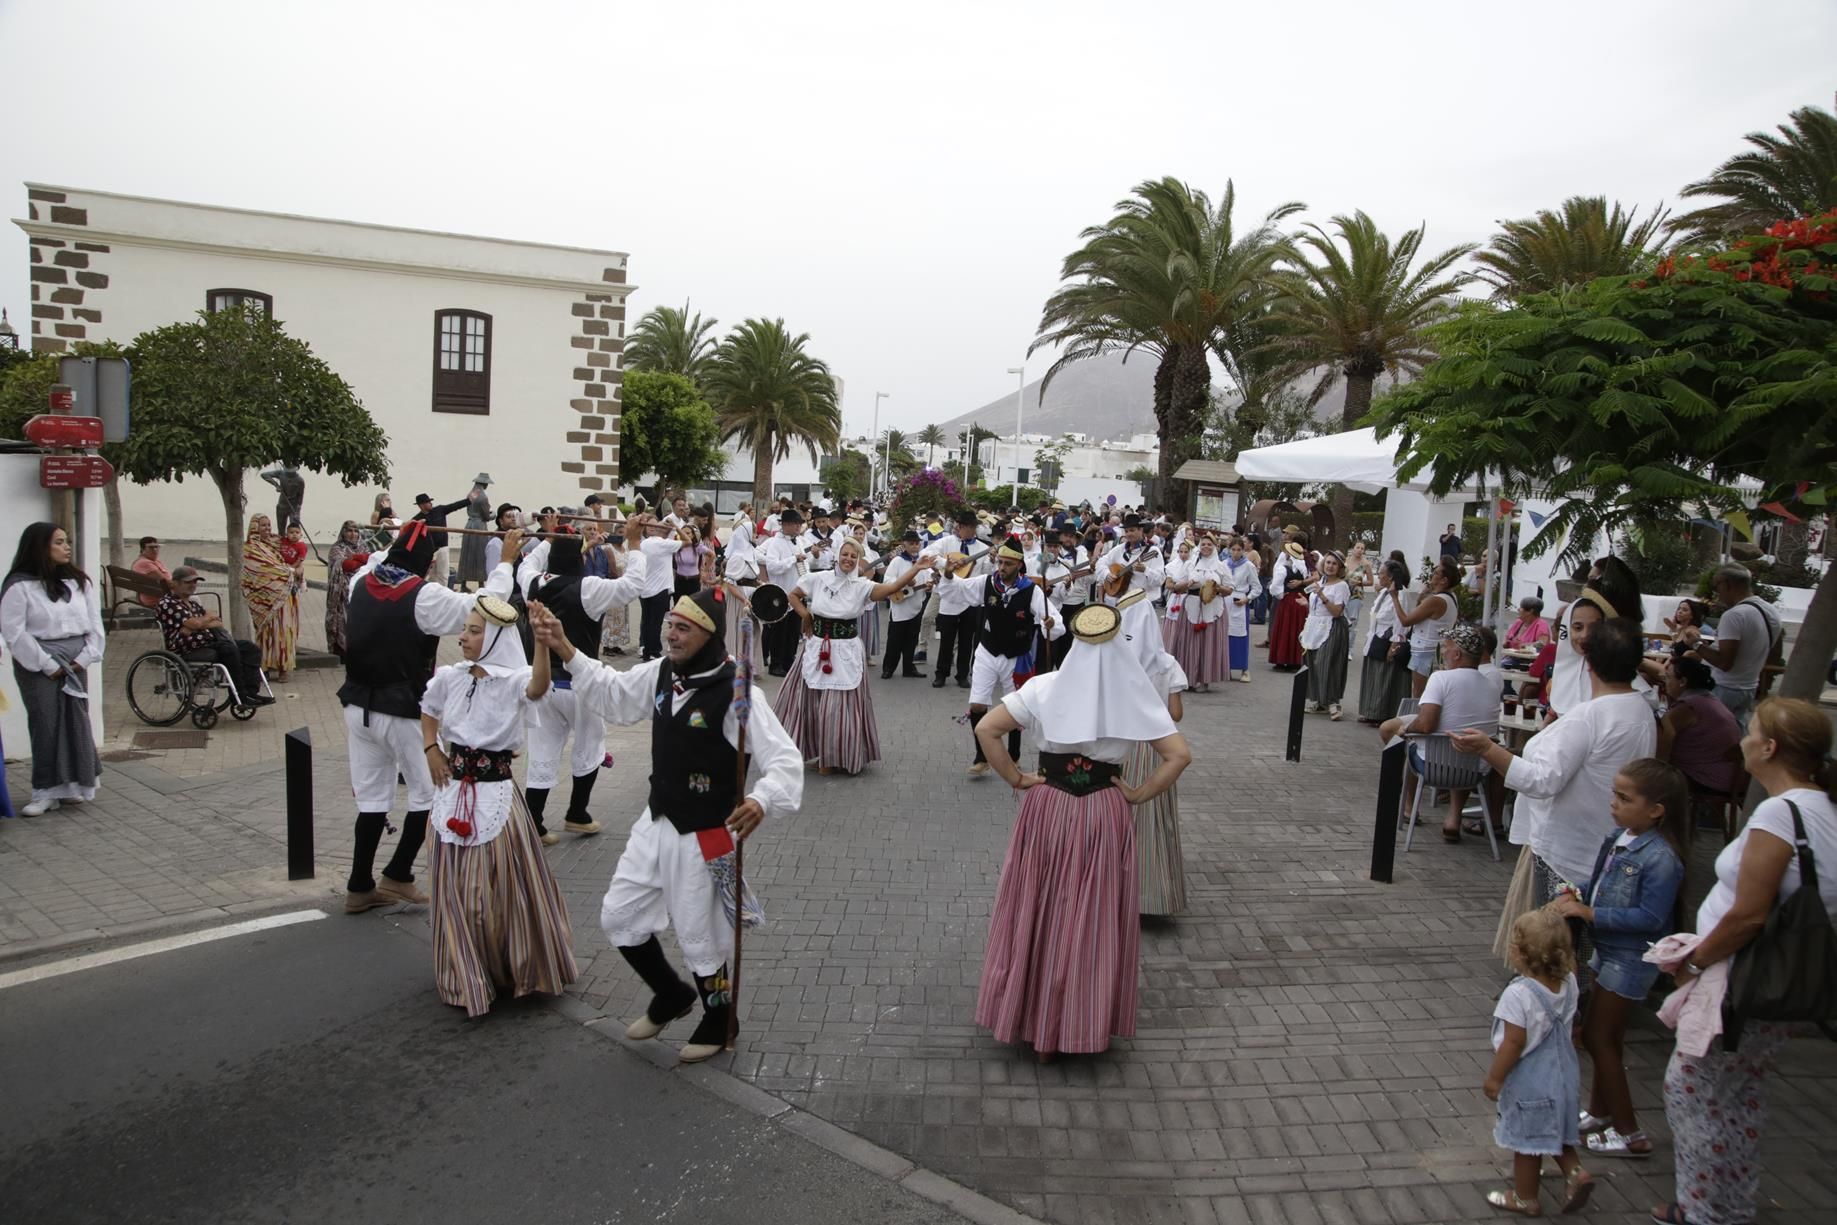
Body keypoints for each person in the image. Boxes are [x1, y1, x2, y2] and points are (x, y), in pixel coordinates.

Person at [532, 587, 804, 1064]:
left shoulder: (738, 689)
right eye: (670, 624)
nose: (672, 634)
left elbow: (783, 760)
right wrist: (564, 648)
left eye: (683, 628)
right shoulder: (660, 672)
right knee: (618, 916)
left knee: (702, 933)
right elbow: (613, 695)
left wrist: (762, 799)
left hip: (709, 832)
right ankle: (671, 994)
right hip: (657, 817)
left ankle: (720, 1018)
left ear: (709, 634)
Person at [1646, 697, 1837, 1225]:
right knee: (1740, 1092)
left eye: (1751, 733)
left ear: (1771, 748)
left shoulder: (1781, 813)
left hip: (1743, 979)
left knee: (1692, 1091)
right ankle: (1730, 1204)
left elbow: (1749, 915)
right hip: (1780, 982)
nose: (1743, 741)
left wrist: (1695, 961)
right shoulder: (1823, 809)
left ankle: (1704, 1209)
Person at [971, 603, 1191, 1060]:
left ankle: (1032, 1021)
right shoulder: (1134, 695)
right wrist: (1137, 795)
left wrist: (1015, 779)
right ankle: (1077, 1022)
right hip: (1103, 812)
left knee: (1039, 903)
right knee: (1089, 912)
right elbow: (1178, 755)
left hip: (1047, 805)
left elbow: (988, 728)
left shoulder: (1044, 687)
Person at [1453, 619, 1657, 990]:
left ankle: (1555, 1009)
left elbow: (1543, 780)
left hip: (1571, 851)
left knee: (1559, 944)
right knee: (1577, 944)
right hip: (1600, 845)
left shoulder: (1591, 716)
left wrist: (1488, 749)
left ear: (1588, 664)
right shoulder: (1639, 710)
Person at [338, 520, 516, 914]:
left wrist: (408, 530)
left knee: (371, 798)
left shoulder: (362, 581)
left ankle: (359, 884)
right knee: (430, 793)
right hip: (402, 709)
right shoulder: (424, 596)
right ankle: (398, 873)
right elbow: (486, 606)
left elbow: (381, 558)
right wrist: (505, 561)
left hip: (357, 705)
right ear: (428, 563)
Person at [419, 595, 578, 1016]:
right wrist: (431, 748)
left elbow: (538, 687)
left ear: (493, 638)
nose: (464, 637)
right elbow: (429, 709)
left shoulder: (513, 680)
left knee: (491, 891)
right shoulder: (451, 677)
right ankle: (465, 969)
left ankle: (509, 965)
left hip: (495, 797)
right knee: (453, 889)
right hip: (452, 791)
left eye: (474, 631)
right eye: (466, 629)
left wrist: (541, 642)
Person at [1550, 758, 1686, 1162]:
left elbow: (1650, 917)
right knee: (1600, 1034)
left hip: (1632, 959)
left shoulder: (1662, 858)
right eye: (1615, 794)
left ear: (1656, 809)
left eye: (1625, 798)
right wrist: (1574, 892)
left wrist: (1590, 914)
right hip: (1607, 951)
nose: (1614, 804)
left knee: (1598, 1037)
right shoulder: (1618, 838)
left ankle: (1630, 1133)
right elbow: (1600, 883)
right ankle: (1598, 1112)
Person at [514, 518, 654, 841]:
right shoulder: (588, 588)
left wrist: (549, 536)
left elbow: (528, 563)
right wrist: (635, 545)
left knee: (543, 750)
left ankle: (534, 820)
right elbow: (633, 585)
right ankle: (577, 812)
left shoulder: (532, 582)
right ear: (580, 559)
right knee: (590, 743)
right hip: (580, 683)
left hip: (542, 684)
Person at [775, 538, 925, 774]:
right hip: (817, 649)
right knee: (810, 704)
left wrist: (916, 568)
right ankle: (815, 753)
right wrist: (806, 615)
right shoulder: (818, 578)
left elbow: (891, 589)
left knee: (836, 708)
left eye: (853, 557)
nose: (848, 559)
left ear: (858, 561)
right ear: (837, 556)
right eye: (845, 554)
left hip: (845, 652)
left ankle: (834, 756)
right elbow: (792, 595)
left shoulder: (861, 586)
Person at [1482, 909, 1594, 1216]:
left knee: (1528, 1142)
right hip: (1564, 1074)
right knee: (1556, 1128)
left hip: (1531, 1081)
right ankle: (1575, 1172)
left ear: (1518, 952)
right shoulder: (1569, 982)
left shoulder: (1517, 994)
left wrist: (1495, 1079)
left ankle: (1524, 1197)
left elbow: (1513, 1044)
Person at [937, 535, 1063, 778]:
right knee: (977, 703)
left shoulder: (1032, 591)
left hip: (1017, 656)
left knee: (1015, 707)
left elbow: (1055, 620)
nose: (1002, 567)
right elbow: (957, 591)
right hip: (987, 650)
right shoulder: (986, 583)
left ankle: (1014, 755)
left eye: (1007, 564)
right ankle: (981, 757)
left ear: (1018, 565)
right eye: (1000, 562)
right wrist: (950, 575)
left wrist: (1049, 623)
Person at [1, 522, 103, 816]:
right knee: (46, 723)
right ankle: (45, 790)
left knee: (76, 721)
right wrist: (46, 664)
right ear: (40, 546)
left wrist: (85, 657)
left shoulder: (78, 582)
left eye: (67, 540)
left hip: (76, 658)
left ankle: (73, 785)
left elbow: (94, 624)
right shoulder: (19, 586)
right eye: (59, 542)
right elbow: (14, 632)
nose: (66, 546)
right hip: (40, 661)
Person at [1379, 623, 1501, 841]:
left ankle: (1408, 808)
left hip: (1435, 767)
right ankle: (1453, 819)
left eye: (1446, 647)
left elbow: (1426, 725)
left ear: (1457, 654)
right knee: (1463, 746)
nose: (1443, 652)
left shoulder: (1441, 678)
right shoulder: (1491, 685)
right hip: (1476, 771)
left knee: (1407, 744)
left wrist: (1406, 729)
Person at [1116, 589, 1190, 917]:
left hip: (1122, 743)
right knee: (1153, 819)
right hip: (1158, 747)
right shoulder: (1168, 664)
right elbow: (1175, 714)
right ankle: (1153, 893)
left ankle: (1117, 891)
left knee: (1120, 817)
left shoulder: (1115, 660)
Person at [1680, 563, 1780, 732]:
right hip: (1749, 686)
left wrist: (1695, 644)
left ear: (1727, 584)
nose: (1716, 593)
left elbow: (1725, 662)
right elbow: (1774, 652)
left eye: (1716, 586)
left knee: (1713, 734)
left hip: (1724, 687)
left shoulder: (1734, 616)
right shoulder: (1771, 611)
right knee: (1736, 733)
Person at [156, 566, 271, 706]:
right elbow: (198, 623)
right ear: (175, 583)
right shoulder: (168, 603)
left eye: (195, 582)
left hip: (208, 641)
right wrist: (204, 620)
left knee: (250, 648)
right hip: (186, 647)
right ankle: (240, 695)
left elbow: (217, 622)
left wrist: (199, 623)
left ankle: (251, 692)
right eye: (188, 582)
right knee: (229, 649)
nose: (193, 585)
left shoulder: (192, 604)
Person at [1657, 647, 1742, 797]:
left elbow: (1662, 735)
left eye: (1668, 678)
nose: (1665, 682)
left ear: (1683, 681)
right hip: (1729, 775)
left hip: (1709, 779)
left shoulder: (1688, 708)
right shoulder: (1706, 698)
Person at [921, 509, 986, 690]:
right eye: (967, 527)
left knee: (966, 641)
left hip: (970, 600)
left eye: (973, 527)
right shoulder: (946, 543)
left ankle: (962, 675)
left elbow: (987, 573)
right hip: (949, 599)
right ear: (960, 526)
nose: (970, 531)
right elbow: (925, 555)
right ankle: (941, 674)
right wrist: (945, 565)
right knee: (947, 640)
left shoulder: (982, 548)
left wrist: (992, 561)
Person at [239, 514, 300, 682]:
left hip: (283, 596)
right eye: (263, 525)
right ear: (254, 527)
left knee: (283, 631)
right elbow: (262, 570)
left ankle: (283, 667)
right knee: (266, 634)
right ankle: (263, 666)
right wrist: (290, 572)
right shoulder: (251, 548)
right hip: (265, 599)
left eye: (268, 525)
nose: (267, 528)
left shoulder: (276, 543)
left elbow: (291, 557)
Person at [1391, 557, 1461, 698]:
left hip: (1425, 650)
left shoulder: (1436, 600)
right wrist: (1422, 596)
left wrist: (1394, 598)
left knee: (1419, 693)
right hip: (1435, 648)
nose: (1432, 576)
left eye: (1436, 573)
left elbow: (1406, 620)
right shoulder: (1450, 597)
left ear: (1444, 580)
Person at [1357, 559, 1413, 724]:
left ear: (1390, 577)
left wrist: (1394, 645)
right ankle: (1371, 711)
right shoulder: (1383, 593)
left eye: (1381, 574)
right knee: (1374, 677)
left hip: (1388, 641)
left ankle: (1383, 713)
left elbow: (1399, 623)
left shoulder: (1401, 595)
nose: (1378, 577)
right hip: (1376, 638)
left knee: (1385, 679)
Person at [1170, 534, 1227, 692]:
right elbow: (1175, 587)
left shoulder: (1221, 566)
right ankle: (1188, 677)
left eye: (1209, 544)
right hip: (1192, 605)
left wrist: (1216, 587)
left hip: (1212, 606)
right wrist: (1187, 584)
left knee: (1207, 643)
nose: (1206, 547)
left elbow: (1229, 589)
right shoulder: (1191, 564)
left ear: (1214, 546)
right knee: (1189, 642)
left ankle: (1204, 679)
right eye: (1203, 544)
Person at [1301, 550, 1352, 719]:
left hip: (1333, 626)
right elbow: (1315, 606)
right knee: (1313, 663)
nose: (1330, 566)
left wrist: (1322, 596)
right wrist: (1305, 603)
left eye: (1334, 564)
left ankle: (1333, 702)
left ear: (1340, 568)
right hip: (1316, 626)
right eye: (1328, 563)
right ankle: (1319, 701)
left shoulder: (1341, 586)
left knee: (1328, 662)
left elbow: (1337, 611)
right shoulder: (1320, 581)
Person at [757, 507, 807, 676]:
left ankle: (789, 660)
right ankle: (776, 663)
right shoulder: (776, 543)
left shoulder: (799, 541)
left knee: (794, 631)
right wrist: (793, 559)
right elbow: (772, 566)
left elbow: (804, 565)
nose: (798, 527)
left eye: (799, 524)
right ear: (785, 525)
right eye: (795, 524)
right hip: (782, 593)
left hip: (797, 593)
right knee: (780, 631)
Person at [879, 530, 930, 679]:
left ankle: (909, 668)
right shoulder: (897, 561)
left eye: (917, 543)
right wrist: (904, 582)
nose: (915, 546)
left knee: (912, 640)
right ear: (904, 544)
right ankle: (888, 668)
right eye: (911, 543)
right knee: (895, 640)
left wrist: (929, 585)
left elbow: (927, 577)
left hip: (916, 606)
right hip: (900, 607)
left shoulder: (922, 561)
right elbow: (887, 581)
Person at [1041, 524, 1091, 670]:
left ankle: (1064, 671)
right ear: (1060, 537)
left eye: (1072, 536)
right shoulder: (1048, 554)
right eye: (1066, 535)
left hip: (1075, 602)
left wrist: (1081, 575)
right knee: (1050, 645)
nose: (1069, 539)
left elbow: (1092, 579)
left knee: (1069, 643)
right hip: (1053, 606)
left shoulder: (1081, 555)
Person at [635, 515, 681, 663]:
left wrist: (669, 529)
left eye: (656, 526)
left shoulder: (642, 544)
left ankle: (647, 649)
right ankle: (653, 650)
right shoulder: (662, 544)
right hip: (659, 589)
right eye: (650, 526)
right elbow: (687, 541)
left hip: (645, 588)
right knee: (654, 622)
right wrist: (674, 526)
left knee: (648, 621)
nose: (653, 528)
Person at [1095, 513, 1165, 606]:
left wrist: (1146, 570)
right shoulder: (1120, 549)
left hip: (1142, 603)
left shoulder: (1153, 551)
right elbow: (1101, 562)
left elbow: (1160, 579)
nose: (1128, 534)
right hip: (1120, 601)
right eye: (1126, 531)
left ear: (1141, 530)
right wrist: (1107, 574)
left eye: (1132, 530)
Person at [324, 521, 370, 659]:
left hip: (361, 592)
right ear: (343, 532)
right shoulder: (337, 548)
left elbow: (371, 560)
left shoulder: (364, 546)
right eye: (349, 531)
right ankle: (341, 652)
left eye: (356, 531)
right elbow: (347, 565)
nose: (353, 534)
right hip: (341, 593)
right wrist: (361, 560)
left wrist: (357, 557)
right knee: (342, 621)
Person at [411, 490, 472, 589]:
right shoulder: (417, 519)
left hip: (443, 547)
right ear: (421, 505)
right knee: (429, 575)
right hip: (428, 550)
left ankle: (443, 593)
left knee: (443, 574)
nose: (430, 503)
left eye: (429, 501)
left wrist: (468, 500)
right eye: (427, 502)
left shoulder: (439, 510)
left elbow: (454, 506)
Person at [1219, 537, 1260, 683]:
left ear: (1243, 550)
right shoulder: (1223, 564)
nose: (1236, 553)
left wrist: (1247, 599)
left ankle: (1244, 669)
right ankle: (1226, 667)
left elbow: (1257, 588)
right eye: (1233, 549)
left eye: (1239, 550)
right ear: (1229, 550)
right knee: (1224, 636)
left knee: (1240, 636)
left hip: (1240, 601)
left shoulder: (1249, 566)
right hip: (1225, 602)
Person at [1266, 540, 1310, 671]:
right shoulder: (1303, 569)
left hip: (1287, 601)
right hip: (1300, 600)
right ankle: (1294, 661)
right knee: (1297, 629)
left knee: (1284, 629)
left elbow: (1274, 587)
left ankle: (1281, 660)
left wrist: (1280, 594)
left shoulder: (1283, 569)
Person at [455, 473, 494, 587]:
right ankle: (481, 583)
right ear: (484, 483)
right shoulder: (483, 497)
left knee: (466, 553)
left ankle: (463, 583)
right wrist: (494, 514)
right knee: (480, 554)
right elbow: (486, 516)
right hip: (479, 525)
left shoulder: (471, 494)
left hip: (469, 524)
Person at [130, 536, 170, 608]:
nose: (155, 550)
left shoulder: (151, 561)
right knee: (193, 599)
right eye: (151, 547)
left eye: (156, 547)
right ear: (142, 549)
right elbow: (166, 582)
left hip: (159, 594)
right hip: (157, 598)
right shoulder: (145, 563)